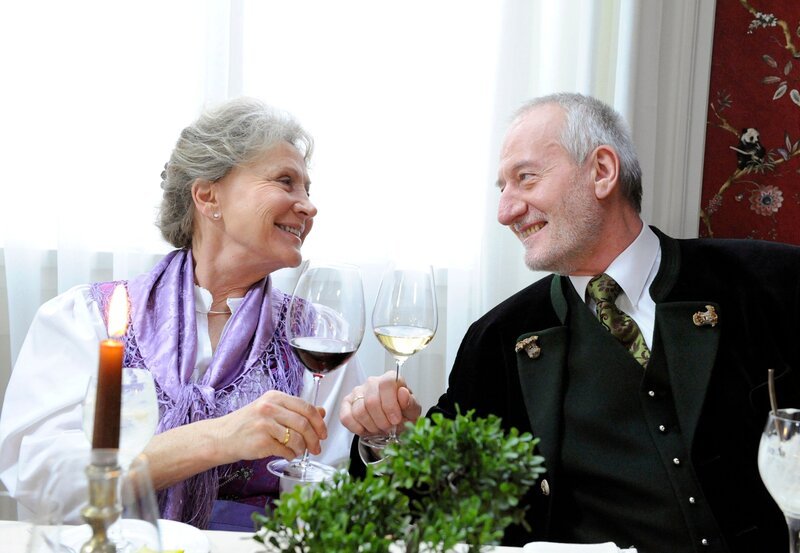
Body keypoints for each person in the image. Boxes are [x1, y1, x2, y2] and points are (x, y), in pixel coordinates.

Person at [340, 92, 800, 553]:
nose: (505, 212)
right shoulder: (500, 337)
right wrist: (383, 437)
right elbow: (422, 500)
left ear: (602, 171)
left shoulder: (775, 284)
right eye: (502, 189)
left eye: (525, 178)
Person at [0, 97, 364, 531]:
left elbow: (328, 500)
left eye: (307, 190)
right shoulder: (86, 318)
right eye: (285, 182)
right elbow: (41, 479)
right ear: (208, 196)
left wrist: (377, 442)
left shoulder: (318, 335)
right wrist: (216, 438)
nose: (308, 206)